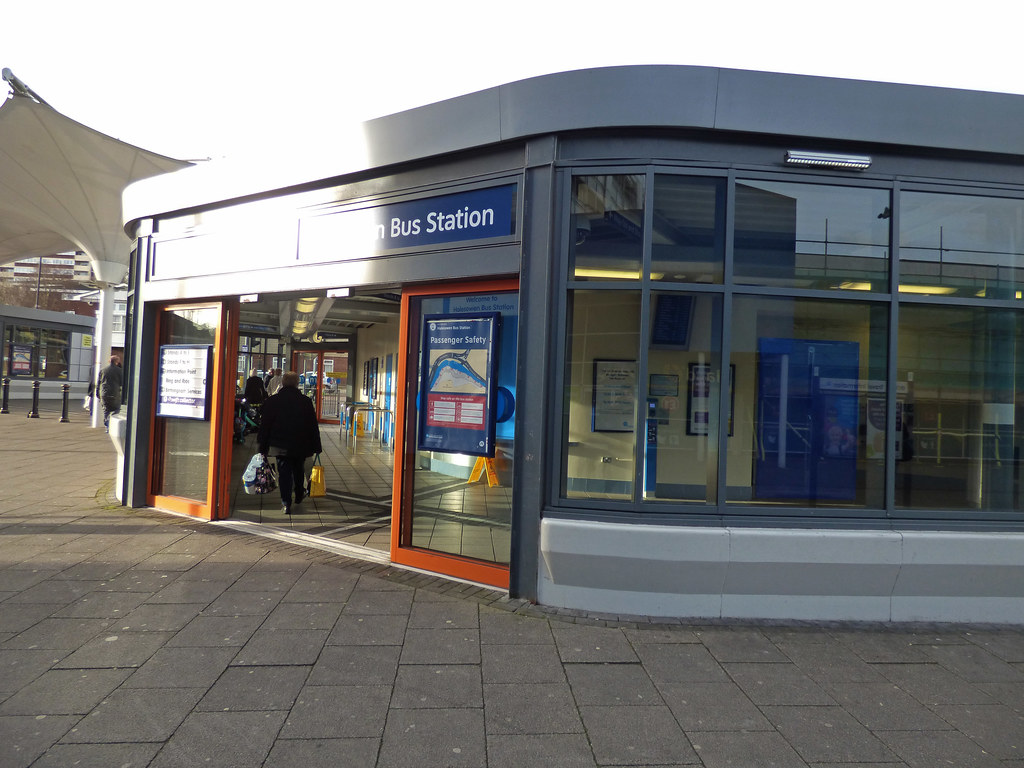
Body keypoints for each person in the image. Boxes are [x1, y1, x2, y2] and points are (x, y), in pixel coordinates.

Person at [257, 371, 322, 515]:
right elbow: (312, 425)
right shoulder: (305, 401)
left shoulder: (272, 401)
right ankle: (299, 494)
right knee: (298, 469)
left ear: (283, 383)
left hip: (279, 445)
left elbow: (265, 425)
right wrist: (317, 445)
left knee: (284, 473)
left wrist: (262, 445)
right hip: (300, 444)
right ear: (297, 383)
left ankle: (286, 502)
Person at [98, 354, 123, 431]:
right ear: (117, 362)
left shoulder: (102, 370)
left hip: (104, 393)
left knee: (106, 410)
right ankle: (111, 423)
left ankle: (107, 425)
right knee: (116, 409)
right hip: (114, 393)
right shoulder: (119, 371)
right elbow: (122, 383)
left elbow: (99, 383)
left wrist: (97, 394)